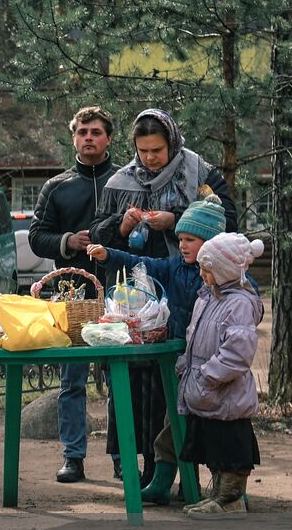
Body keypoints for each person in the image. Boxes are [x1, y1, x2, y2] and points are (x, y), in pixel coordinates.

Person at [90, 109, 237, 485]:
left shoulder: (199, 173)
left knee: (166, 377)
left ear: (172, 143)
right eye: (143, 151)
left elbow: (227, 219)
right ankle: (128, 459)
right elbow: (98, 234)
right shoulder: (121, 182)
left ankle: (168, 468)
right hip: (133, 296)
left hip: (185, 288)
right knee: (130, 374)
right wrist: (122, 224)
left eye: (157, 150)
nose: (150, 158)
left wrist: (178, 219)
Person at [87, 197, 228, 503]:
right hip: (182, 363)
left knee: (217, 428)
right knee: (171, 425)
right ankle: (164, 483)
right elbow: (143, 264)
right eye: (180, 239)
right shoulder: (176, 266)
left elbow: (245, 307)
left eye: (190, 239)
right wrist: (108, 254)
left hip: (215, 368)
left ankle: (226, 492)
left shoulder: (228, 279)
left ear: (212, 242)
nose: (184, 245)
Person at [27, 106, 118, 483]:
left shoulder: (124, 181)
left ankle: (122, 455)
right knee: (72, 380)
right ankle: (73, 457)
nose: (89, 138)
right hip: (72, 299)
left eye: (96, 132)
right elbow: (36, 237)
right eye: (83, 132)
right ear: (74, 137)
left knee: (120, 379)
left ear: (108, 138)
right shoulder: (57, 186)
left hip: (118, 292)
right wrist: (67, 240)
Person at [175, 233, 265, 519]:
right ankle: (217, 495)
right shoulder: (208, 298)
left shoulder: (238, 304)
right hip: (208, 391)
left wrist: (208, 375)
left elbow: (237, 352)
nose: (201, 274)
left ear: (224, 270)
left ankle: (231, 499)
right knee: (213, 443)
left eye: (207, 269)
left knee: (230, 445)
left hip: (226, 391)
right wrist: (186, 366)